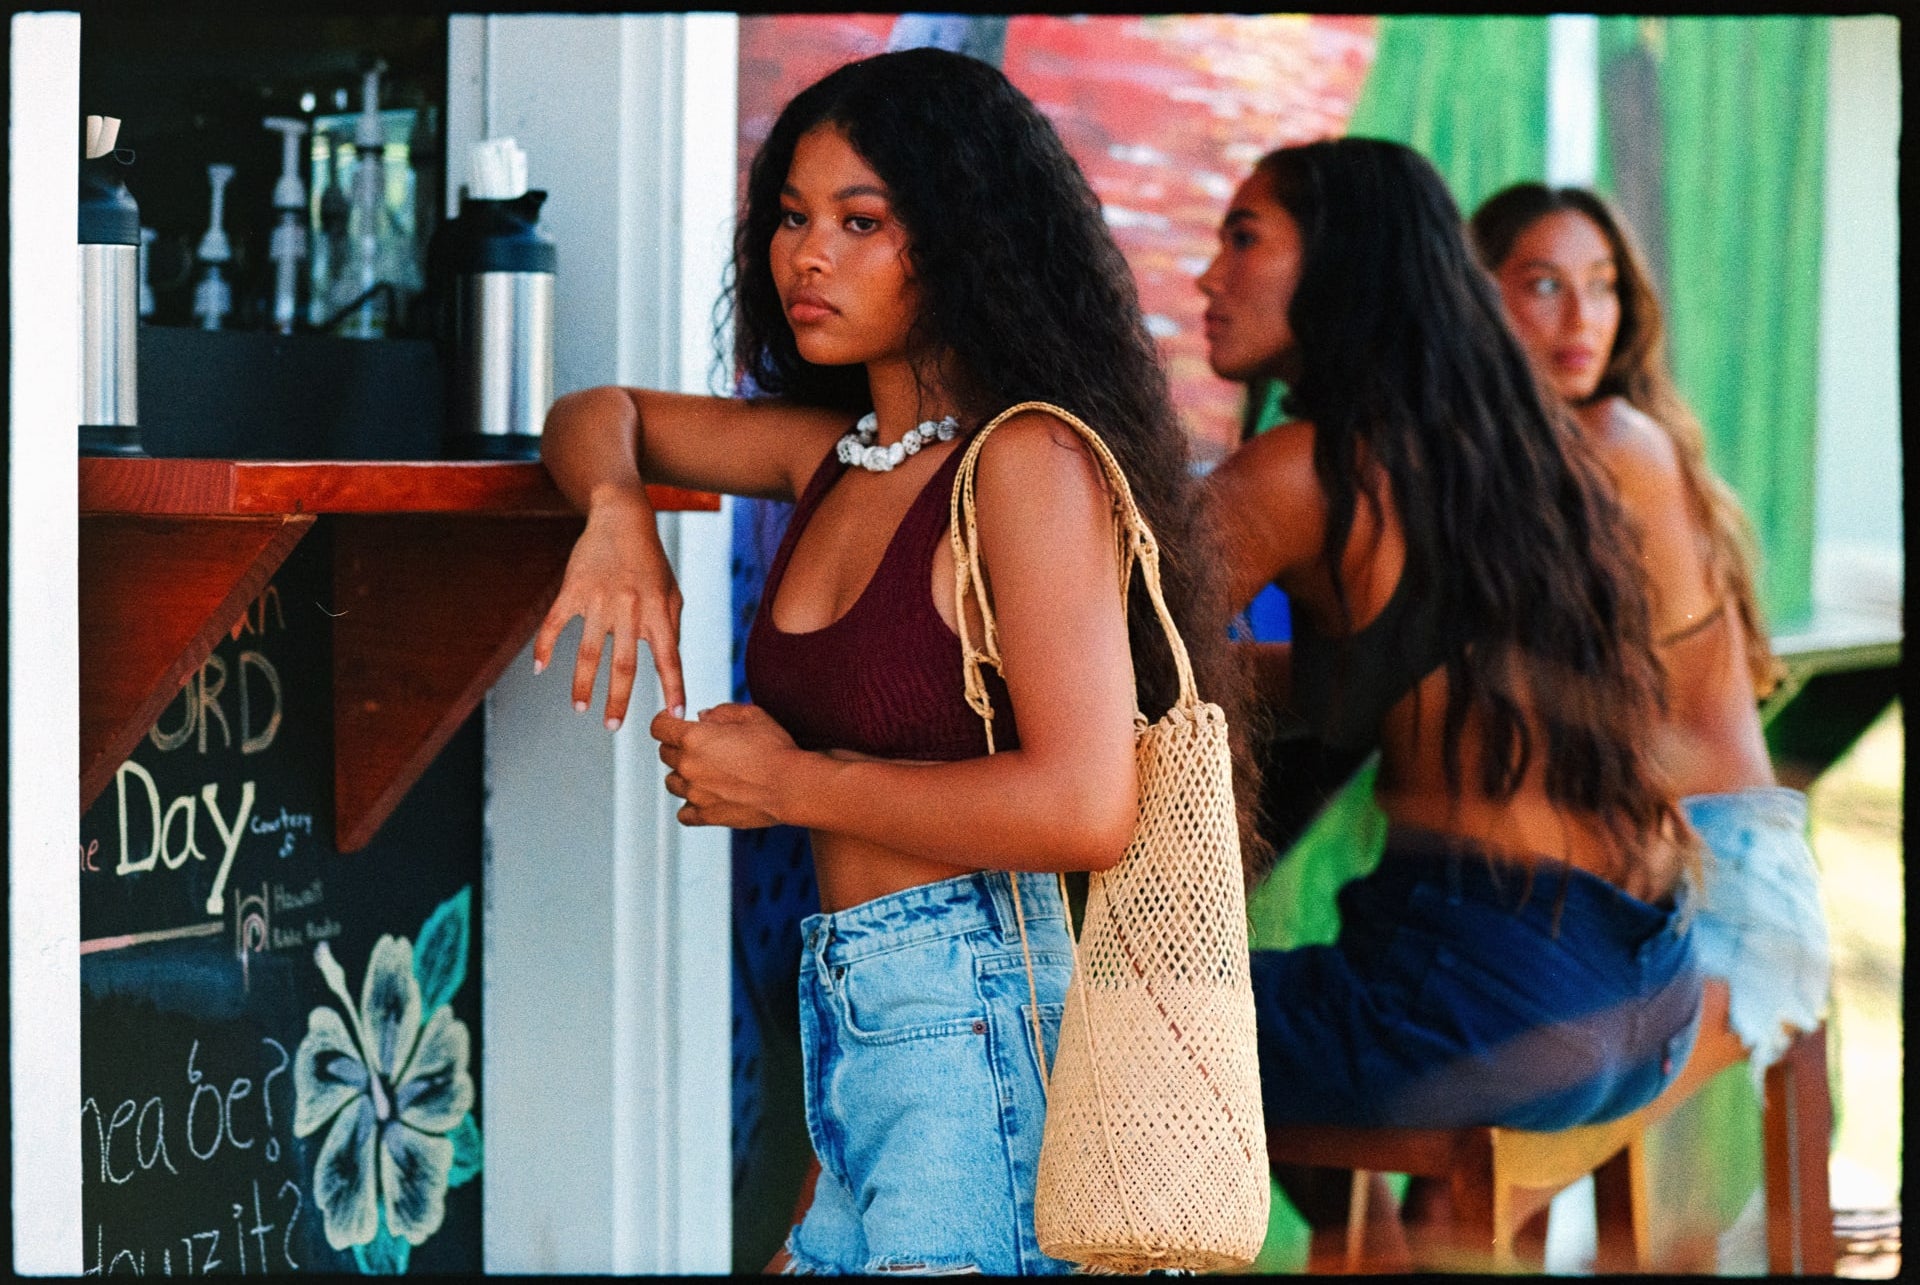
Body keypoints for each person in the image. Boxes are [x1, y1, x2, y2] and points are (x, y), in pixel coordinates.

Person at [533, 48, 1258, 1276]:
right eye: (791, 217)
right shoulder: (838, 457)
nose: (805, 255)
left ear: (966, 238)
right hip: (868, 1024)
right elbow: (600, 412)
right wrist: (618, 517)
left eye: (860, 222)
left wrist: (790, 788)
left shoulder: (1026, 465)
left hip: (981, 1021)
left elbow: (1086, 803)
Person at [1195, 138, 1705, 1257]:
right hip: (1650, 982)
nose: (1206, 276)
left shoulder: (1307, 468)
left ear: (1340, 263)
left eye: (1243, 238)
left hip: (1493, 1007)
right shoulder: (1516, 450)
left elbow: (1097, 678)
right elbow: (1396, 669)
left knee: (1106, 1026)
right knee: (1259, 1027)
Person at [1470, 182, 1829, 1083]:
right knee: (1471, 1146)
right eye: (1544, 284)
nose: (1581, 317)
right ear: (1473, 293)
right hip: (1677, 883)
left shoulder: (1612, 441)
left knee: (1486, 1155)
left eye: (1603, 286)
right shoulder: (1553, 447)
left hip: (1726, 895)